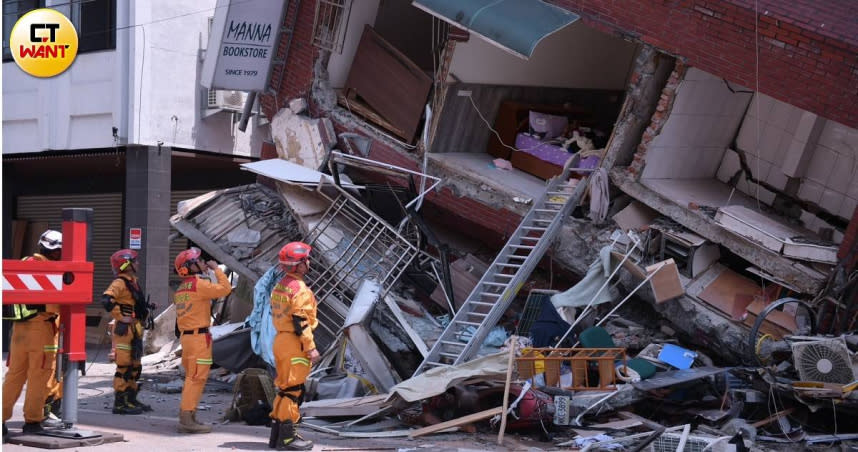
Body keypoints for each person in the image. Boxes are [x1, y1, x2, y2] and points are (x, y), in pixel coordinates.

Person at [2, 230, 64, 437]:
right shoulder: (49, 270)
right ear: (55, 250)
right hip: (41, 330)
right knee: (39, 377)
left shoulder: (23, 262)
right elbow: (56, 305)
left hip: (18, 331)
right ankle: (33, 421)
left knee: (14, 376)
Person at [173, 247, 231, 434]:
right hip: (198, 339)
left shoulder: (182, 288)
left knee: (192, 378)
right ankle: (187, 419)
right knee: (196, 379)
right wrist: (216, 269)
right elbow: (225, 289)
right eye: (199, 261)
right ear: (191, 266)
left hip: (188, 339)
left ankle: (189, 415)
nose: (203, 262)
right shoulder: (198, 285)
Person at [267, 242, 319, 451]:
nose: (309, 262)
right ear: (298, 265)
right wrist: (311, 347)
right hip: (294, 343)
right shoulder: (300, 290)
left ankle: (278, 436)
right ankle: (288, 439)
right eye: (306, 259)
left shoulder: (280, 286)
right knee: (293, 391)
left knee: (285, 389)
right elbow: (301, 321)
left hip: (281, 341)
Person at [101, 249, 153, 415]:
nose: (138, 263)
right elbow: (107, 300)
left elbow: (133, 303)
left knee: (135, 367)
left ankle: (131, 399)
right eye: (135, 261)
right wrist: (120, 316)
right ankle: (120, 403)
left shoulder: (132, 282)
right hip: (124, 331)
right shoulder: (120, 283)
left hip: (135, 329)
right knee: (124, 366)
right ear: (126, 264)